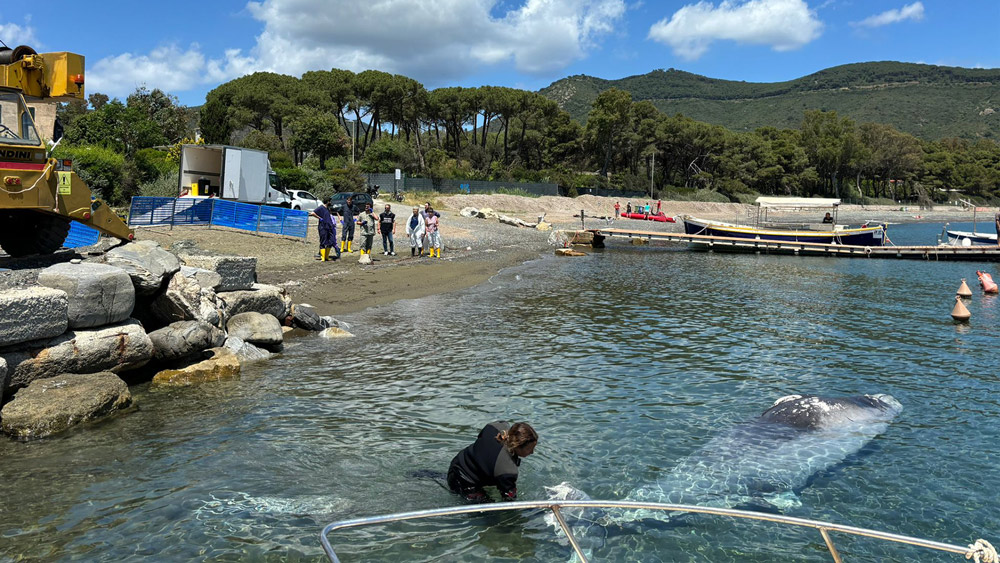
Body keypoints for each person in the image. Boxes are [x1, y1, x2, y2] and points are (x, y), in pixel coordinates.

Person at [447, 421, 538, 502]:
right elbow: (509, 499)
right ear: (517, 446)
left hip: (457, 462)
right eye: (530, 449)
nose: (532, 452)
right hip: (462, 482)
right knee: (491, 514)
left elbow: (480, 438)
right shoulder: (507, 469)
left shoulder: (497, 426)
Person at [309, 197, 339, 261]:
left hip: (329, 227)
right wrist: (319, 218)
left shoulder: (327, 208)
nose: (331, 202)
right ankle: (323, 257)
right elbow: (312, 213)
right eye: (330, 201)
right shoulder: (321, 208)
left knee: (330, 242)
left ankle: (326, 256)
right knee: (323, 242)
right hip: (323, 227)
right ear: (327, 201)